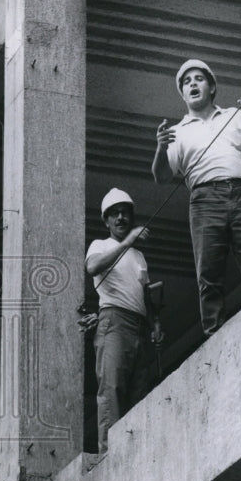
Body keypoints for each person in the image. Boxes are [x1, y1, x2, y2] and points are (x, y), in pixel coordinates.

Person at [152, 59, 241, 336]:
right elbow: (161, 177)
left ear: (211, 87)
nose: (193, 84)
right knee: (208, 273)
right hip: (205, 200)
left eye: (198, 79)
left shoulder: (236, 115)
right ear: (183, 94)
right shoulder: (178, 131)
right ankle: (214, 334)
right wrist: (161, 149)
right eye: (186, 82)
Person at [85, 188, 156, 455]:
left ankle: (136, 452)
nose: (121, 218)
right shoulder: (100, 245)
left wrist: (156, 324)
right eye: (114, 214)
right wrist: (126, 243)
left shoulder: (139, 257)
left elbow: (145, 294)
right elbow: (92, 268)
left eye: (125, 213)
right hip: (113, 321)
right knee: (112, 387)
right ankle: (108, 454)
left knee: (139, 391)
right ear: (106, 220)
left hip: (139, 325)